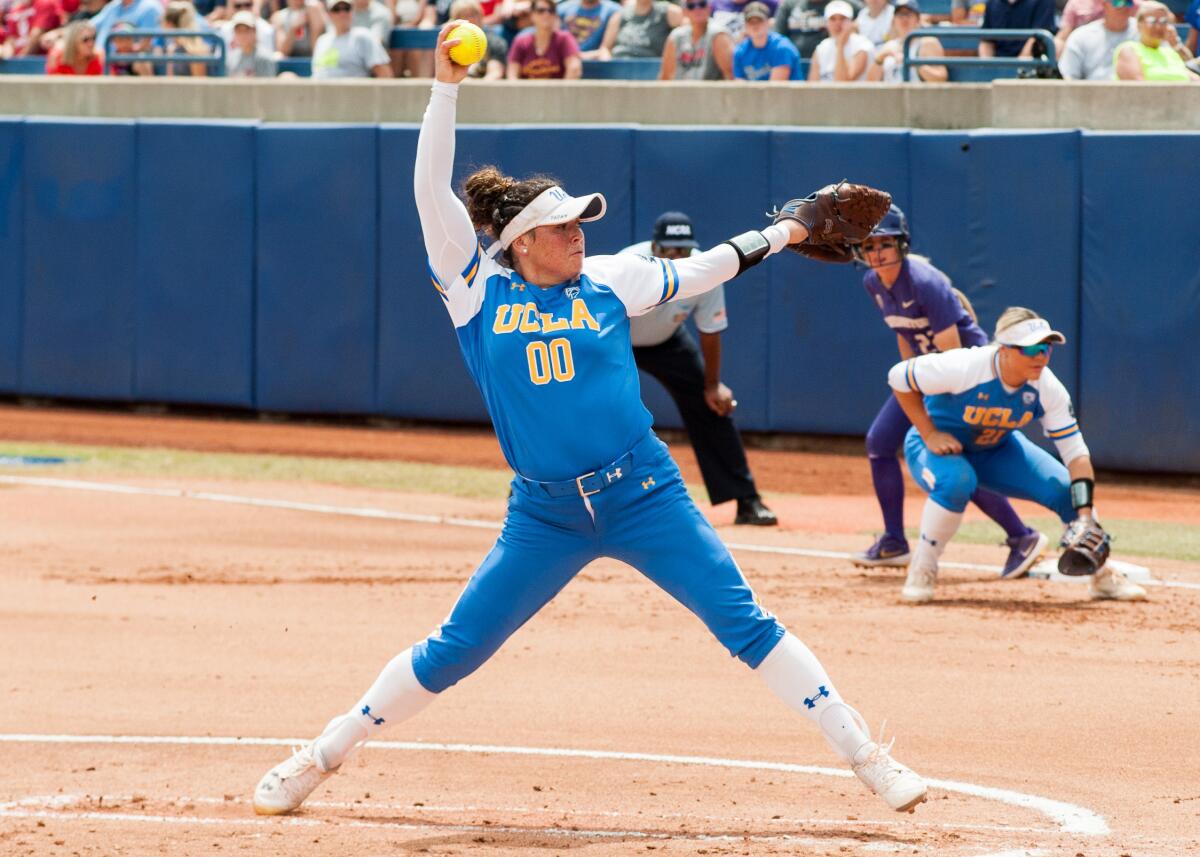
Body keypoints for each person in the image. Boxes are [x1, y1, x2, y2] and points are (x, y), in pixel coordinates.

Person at [252, 19, 928, 821]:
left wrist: (786, 230)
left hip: (644, 491)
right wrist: (446, 85)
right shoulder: (475, 290)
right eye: (566, 226)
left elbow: (704, 267)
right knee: (456, 647)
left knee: (744, 621)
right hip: (544, 512)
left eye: (581, 224)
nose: (581, 234)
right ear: (524, 241)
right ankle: (320, 754)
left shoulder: (608, 279)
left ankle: (867, 755)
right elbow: (428, 191)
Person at [888, 307, 1147, 604]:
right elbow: (898, 377)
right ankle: (923, 567)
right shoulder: (966, 366)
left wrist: (1085, 518)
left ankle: (1101, 576)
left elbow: (1076, 455)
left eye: (1046, 348)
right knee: (957, 480)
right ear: (1005, 350)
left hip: (995, 449)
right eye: (1032, 349)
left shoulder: (1046, 387)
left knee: (1066, 489)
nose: (1041, 356)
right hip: (932, 447)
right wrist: (929, 432)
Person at [848, 207, 1047, 576]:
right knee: (879, 442)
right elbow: (903, 334)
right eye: (868, 244)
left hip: (962, 376)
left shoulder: (925, 282)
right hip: (927, 374)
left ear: (902, 244)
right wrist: (908, 377)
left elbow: (953, 355)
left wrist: (928, 401)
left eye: (885, 243)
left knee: (954, 463)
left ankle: (1022, 536)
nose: (877, 252)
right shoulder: (873, 283)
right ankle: (894, 540)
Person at [620, 212, 777, 526]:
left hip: (667, 340)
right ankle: (540, 488)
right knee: (586, 406)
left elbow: (710, 330)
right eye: (670, 250)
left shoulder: (704, 269)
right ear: (654, 246)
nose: (678, 257)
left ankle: (747, 500)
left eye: (683, 250)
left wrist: (712, 385)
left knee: (711, 407)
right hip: (617, 340)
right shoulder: (629, 265)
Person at [867, 0, 946, 82]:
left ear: (918, 20)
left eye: (908, 14)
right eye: (900, 15)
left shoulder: (927, 43)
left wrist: (911, 62)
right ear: (893, 20)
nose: (904, 19)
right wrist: (881, 58)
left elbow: (940, 78)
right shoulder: (889, 46)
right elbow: (871, 82)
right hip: (890, 93)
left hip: (915, 93)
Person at [1115, 1, 1195, 79]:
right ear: (1139, 24)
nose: (1158, 26)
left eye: (1163, 21)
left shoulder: (1171, 53)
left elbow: (1193, 75)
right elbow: (1136, 88)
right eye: (1152, 21)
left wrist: (1176, 44)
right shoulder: (1129, 50)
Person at [1058, 0, 1136, 79]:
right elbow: (1069, 77)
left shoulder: (1143, 32)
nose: (1123, 6)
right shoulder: (1081, 36)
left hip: (1135, 90)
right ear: (1105, 5)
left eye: (1128, 2)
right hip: (1090, 90)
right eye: (1117, 2)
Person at [312, 0, 393, 76]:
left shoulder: (363, 36)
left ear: (353, 11)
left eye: (347, 9)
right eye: (336, 9)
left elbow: (385, 75)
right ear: (329, 14)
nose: (342, 13)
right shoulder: (322, 40)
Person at [659, 0, 734, 79]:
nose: (697, 9)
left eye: (702, 4)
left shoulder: (718, 35)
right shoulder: (676, 37)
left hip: (710, 90)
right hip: (682, 90)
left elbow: (730, 75)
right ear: (684, 11)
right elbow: (665, 77)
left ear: (709, 7)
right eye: (691, 6)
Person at [507, 1, 582, 78]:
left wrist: (565, 89)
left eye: (551, 10)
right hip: (527, 90)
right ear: (532, 15)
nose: (546, 14)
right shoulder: (521, 42)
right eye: (540, 10)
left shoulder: (564, 39)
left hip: (557, 89)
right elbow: (512, 74)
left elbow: (574, 68)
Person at [734, 0, 802, 79]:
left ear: (767, 23)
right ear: (745, 25)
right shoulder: (740, 51)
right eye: (751, 22)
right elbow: (739, 84)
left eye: (759, 21)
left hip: (783, 91)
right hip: (756, 91)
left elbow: (775, 88)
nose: (755, 26)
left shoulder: (782, 47)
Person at [808, 0, 873, 80]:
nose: (837, 23)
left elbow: (843, 84)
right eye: (833, 19)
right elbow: (812, 87)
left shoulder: (863, 46)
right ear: (826, 23)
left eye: (842, 18)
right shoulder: (821, 48)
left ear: (851, 22)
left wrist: (840, 46)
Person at [774, 0, 860, 59]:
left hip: (829, 61)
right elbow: (778, 37)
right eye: (832, 19)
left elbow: (866, 16)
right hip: (793, 63)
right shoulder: (789, 4)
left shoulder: (840, 4)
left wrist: (854, 26)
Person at [600, 0, 683, 59]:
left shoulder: (667, 12)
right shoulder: (619, 16)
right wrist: (607, 62)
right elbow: (605, 48)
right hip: (619, 67)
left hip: (650, 70)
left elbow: (691, 24)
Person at [979, 0, 1055, 59]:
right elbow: (986, 41)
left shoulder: (1043, 2)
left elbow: (1037, 39)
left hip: (1029, 68)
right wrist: (988, 68)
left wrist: (1016, 70)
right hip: (998, 67)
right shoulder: (992, 3)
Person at [450, 0, 505, 78]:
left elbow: (495, 73)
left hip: (482, 87)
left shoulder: (495, 42)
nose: (470, 19)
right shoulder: (449, 43)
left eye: (473, 15)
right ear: (456, 19)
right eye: (464, 16)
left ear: (481, 16)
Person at [161, 0, 212, 76]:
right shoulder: (172, 48)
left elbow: (200, 85)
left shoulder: (196, 52)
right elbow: (170, 81)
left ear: (169, 24)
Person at [85, 0, 162, 50]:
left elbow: (147, 43)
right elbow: (88, 26)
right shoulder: (113, 5)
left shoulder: (150, 7)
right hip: (101, 61)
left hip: (129, 66)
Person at [228, 7, 277, 73]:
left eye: (246, 30)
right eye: (239, 31)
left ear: (254, 31)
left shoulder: (264, 58)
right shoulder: (231, 58)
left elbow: (268, 83)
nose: (243, 35)